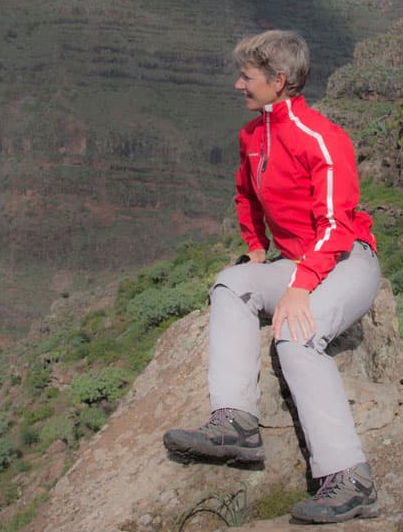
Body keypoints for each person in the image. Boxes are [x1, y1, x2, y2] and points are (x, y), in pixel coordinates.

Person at [163, 30, 382, 524]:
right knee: (231, 283)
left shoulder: (322, 139)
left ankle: (351, 477)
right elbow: (245, 193)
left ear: (279, 80)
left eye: (247, 76)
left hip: (347, 261)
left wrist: (301, 289)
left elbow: (337, 226)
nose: (238, 85)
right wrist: (255, 246)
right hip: (297, 262)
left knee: (294, 337)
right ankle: (235, 423)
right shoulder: (252, 136)